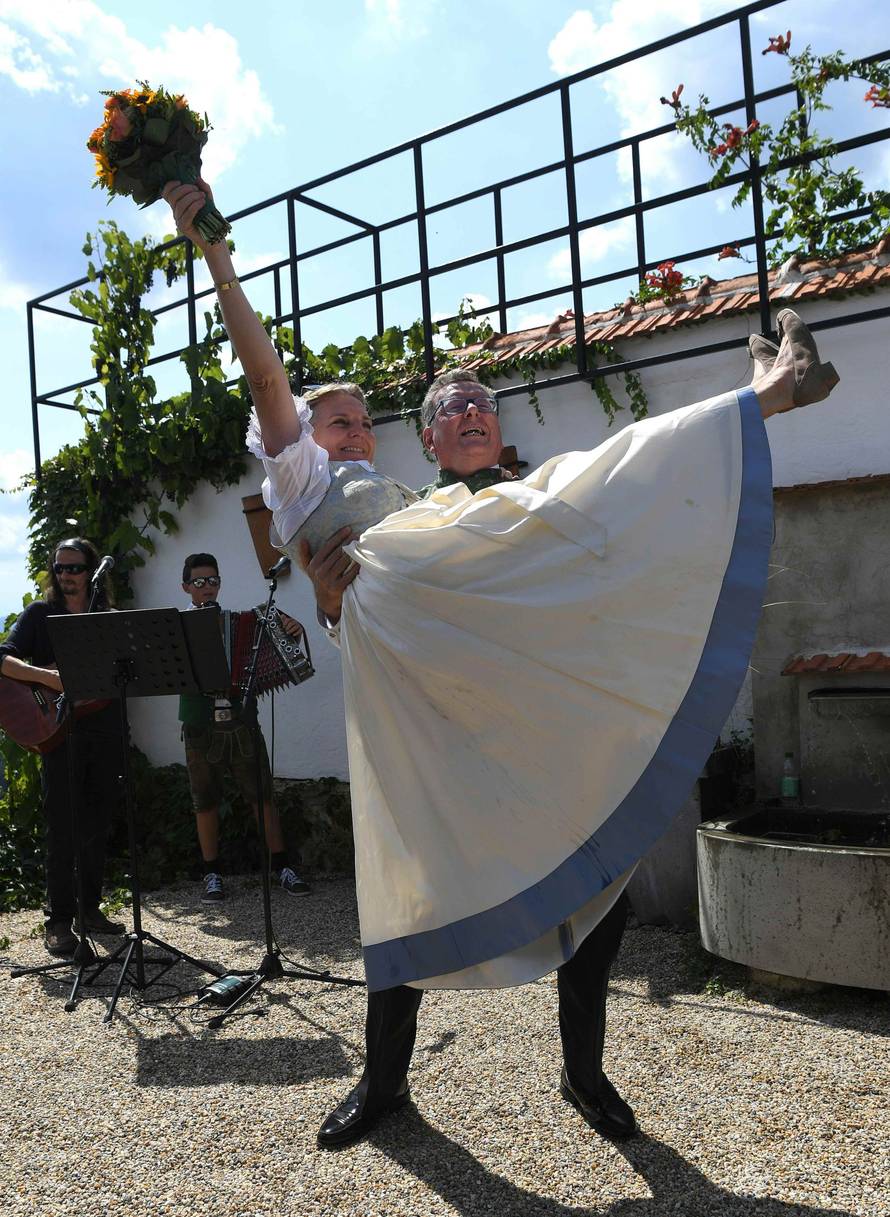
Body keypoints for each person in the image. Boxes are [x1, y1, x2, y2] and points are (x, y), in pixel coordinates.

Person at [163, 178, 839, 1147]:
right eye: (340, 420)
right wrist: (216, 251)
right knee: (402, 888)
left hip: (514, 719)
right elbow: (271, 390)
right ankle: (384, 1084)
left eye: (363, 419)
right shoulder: (352, 493)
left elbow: (575, 540)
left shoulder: (453, 508)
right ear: (426, 439)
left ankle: (582, 1072)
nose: (356, 428)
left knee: (592, 878)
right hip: (415, 728)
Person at [0, 539, 125, 956]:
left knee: (97, 823)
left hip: (104, 729)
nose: (66, 576)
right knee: (63, 827)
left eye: (74, 568)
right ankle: (57, 922)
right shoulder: (40, 615)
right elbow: (3, 659)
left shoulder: (105, 618)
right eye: (60, 568)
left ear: (91, 571)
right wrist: (48, 678)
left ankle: (89, 908)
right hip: (59, 731)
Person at [179, 552, 310, 902]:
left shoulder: (239, 623)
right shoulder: (176, 627)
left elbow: (273, 652)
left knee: (261, 794)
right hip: (198, 721)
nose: (207, 588)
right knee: (204, 799)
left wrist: (290, 632)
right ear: (186, 587)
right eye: (199, 582)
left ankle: (281, 865)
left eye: (213, 580)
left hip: (242, 718)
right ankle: (211, 873)